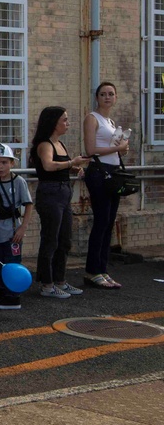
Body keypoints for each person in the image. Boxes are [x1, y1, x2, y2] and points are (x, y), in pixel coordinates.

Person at [29, 107, 90, 299]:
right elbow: (48, 165)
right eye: (64, 120)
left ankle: (60, 280)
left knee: (64, 239)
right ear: (53, 122)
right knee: (51, 239)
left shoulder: (60, 144)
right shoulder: (45, 144)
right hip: (50, 193)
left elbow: (59, 166)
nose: (67, 123)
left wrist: (73, 169)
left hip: (64, 192)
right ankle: (47, 284)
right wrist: (72, 163)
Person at [82, 82, 129, 289]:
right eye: (103, 94)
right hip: (99, 172)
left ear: (116, 97)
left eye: (111, 94)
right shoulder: (93, 118)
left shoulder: (110, 121)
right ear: (97, 98)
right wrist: (117, 148)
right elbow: (91, 149)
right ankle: (93, 270)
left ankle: (103, 269)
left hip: (113, 172)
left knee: (109, 221)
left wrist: (120, 150)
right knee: (101, 221)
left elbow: (111, 148)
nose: (107, 97)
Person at [0, 144, 33, 310]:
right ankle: (2, 291)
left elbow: (28, 205)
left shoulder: (19, 182)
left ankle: (13, 296)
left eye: (4, 162)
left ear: (12, 163)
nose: (0, 166)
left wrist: (23, 228)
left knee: (12, 262)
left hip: (13, 232)